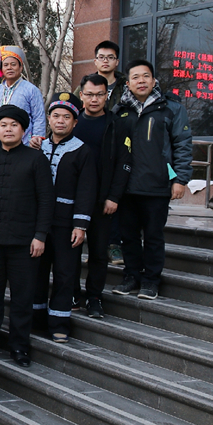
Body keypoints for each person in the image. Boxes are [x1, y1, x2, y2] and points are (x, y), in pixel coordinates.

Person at [0, 105, 54, 368]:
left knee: (22, 297)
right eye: (3, 125)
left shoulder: (35, 159)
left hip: (24, 242)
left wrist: (40, 235)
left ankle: (20, 347)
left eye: (13, 125)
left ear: (23, 129)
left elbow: (46, 200)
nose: (8, 129)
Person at [112, 60, 192, 300]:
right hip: (126, 188)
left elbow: (183, 145)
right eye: (135, 77)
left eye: (146, 76)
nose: (141, 81)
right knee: (129, 237)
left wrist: (180, 179)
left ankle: (151, 281)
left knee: (154, 236)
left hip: (157, 186)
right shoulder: (120, 111)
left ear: (154, 80)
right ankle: (131, 276)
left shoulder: (172, 109)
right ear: (128, 83)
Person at [34, 94, 97, 343]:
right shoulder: (37, 148)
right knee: (37, 270)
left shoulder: (82, 151)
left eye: (66, 117)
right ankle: (36, 317)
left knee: (64, 273)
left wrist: (80, 225)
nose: (60, 121)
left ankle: (59, 321)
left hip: (66, 223)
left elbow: (86, 190)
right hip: (40, 223)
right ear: (49, 119)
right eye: (56, 116)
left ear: (75, 121)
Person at [74, 73, 132, 318]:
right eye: (89, 94)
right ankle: (74, 294)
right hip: (73, 199)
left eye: (100, 94)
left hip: (103, 200)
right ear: (81, 95)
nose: (94, 99)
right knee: (71, 252)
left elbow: (124, 163)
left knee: (99, 252)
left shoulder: (117, 124)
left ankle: (95, 296)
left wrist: (114, 197)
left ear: (107, 95)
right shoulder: (72, 121)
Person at [0, 46, 46, 147]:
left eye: (13, 64)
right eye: (6, 65)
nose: (9, 68)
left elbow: (38, 116)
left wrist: (37, 137)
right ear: (1, 68)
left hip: (25, 144)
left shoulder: (31, 90)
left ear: (21, 67)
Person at [77, 40, 122, 113]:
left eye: (110, 57)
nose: (105, 61)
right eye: (101, 57)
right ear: (95, 61)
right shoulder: (86, 85)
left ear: (117, 62)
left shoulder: (125, 86)